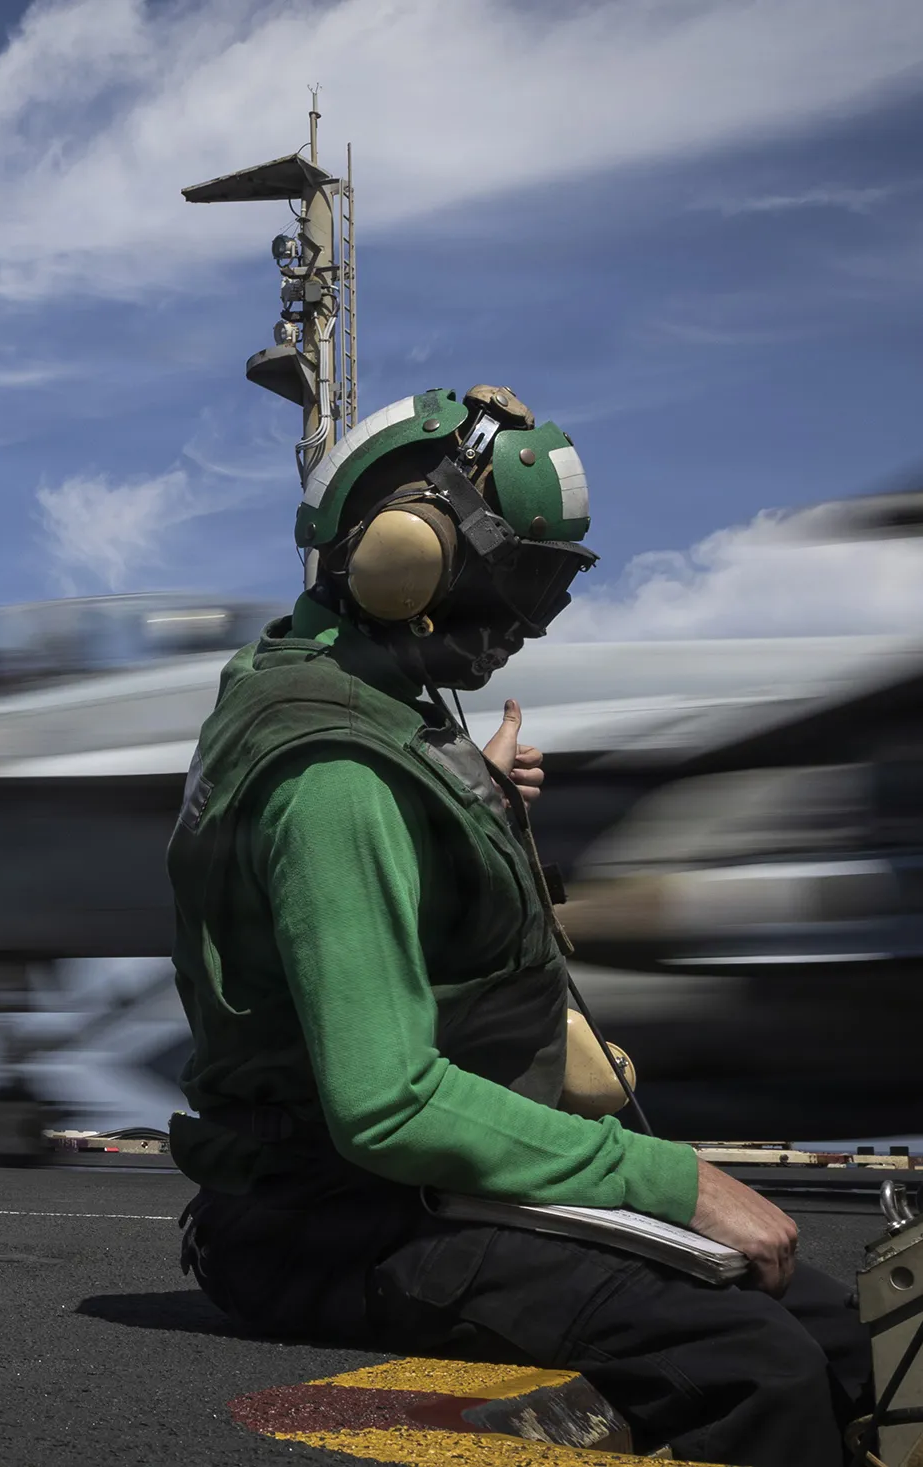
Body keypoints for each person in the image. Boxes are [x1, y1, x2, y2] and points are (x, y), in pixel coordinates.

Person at [164, 388, 868, 1463]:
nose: (521, 625)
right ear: (409, 561)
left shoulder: (358, 711)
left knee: (838, 1332)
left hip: (389, 1196)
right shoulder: (336, 775)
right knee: (754, 1366)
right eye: (513, 579)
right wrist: (681, 1184)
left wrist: (460, 794)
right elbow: (387, 1106)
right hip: (328, 1220)